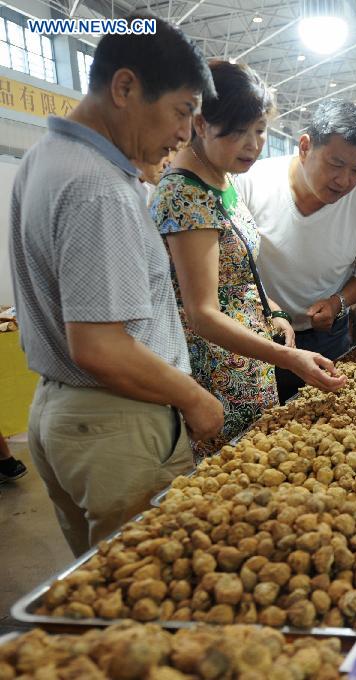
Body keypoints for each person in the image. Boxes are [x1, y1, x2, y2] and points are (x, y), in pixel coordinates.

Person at [8, 16, 224, 556]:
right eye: (181, 112)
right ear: (124, 87)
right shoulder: (98, 187)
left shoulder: (43, 159)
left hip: (63, 415)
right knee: (145, 589)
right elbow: (100, 345)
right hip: (116, 424)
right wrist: (195, 398)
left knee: (98, 588)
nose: (183, 133)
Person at [152, 61, 347, 458]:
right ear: (202, 124)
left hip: (249, 360)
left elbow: (234, 275)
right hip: (218, 372)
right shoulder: (186, 195)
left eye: (259, 130)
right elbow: (202, 312)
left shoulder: (221, 181)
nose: (253, 144)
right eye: (239, 132)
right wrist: (289, 358)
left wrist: (269, 309)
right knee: (231, 479)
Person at [233, 100, 356, 404]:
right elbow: (233, 269)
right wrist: (271, 311)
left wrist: (337, 302)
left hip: (326, 340)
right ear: (304, 147)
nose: (344, 181)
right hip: (259, 337)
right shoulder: (251, 183)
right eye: (336, 164)